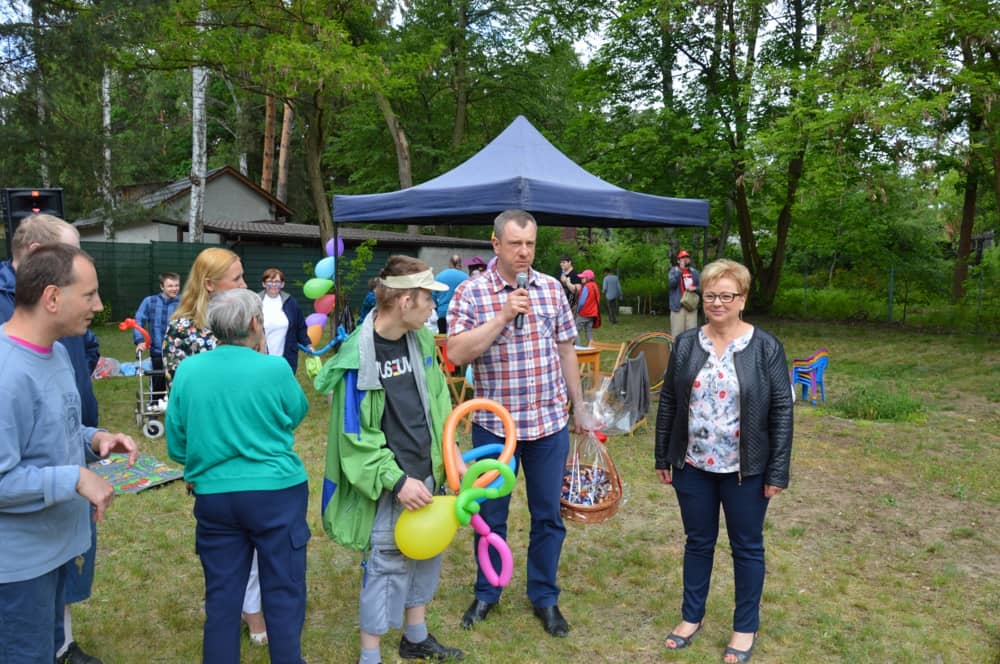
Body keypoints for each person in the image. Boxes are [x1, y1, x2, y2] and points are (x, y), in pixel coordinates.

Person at [316, 255, 464, 664]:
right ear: (405, 301)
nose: (435, 307)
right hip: (389, 484)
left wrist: (450, 454)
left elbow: (436, 402)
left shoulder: (418, 342)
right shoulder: (357, 358)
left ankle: (415, 636)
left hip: (427, 471)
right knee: (387, 564)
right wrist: (397, 482)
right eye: (428, 300)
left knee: (426, 552)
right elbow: (357, 440)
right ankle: (371, 655)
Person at [447, 209, 584, 638]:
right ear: (495, 244)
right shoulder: (472, 293)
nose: (524, 253)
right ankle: (487, 591)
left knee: (549, 516)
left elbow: (566, 351)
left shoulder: (551, 290)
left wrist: (579, 407)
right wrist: (504, 315)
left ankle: (544, 596)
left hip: (547, 424)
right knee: (490, 514)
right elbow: (457, 352)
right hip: (494, 429)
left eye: (530, 245)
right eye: (515, 244)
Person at [0, 244, 137, 664]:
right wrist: (76, 478)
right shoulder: (7, 374)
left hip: (56, 549)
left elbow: (58, 423)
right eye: (90, 294)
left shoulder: (56, 352)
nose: (98, 306)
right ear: (52, 298)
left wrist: (95, 438)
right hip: (20, 569)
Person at [653, 259, 793, 663]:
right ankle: (690, 617)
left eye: (726, 295)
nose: (717, 302)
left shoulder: (765, 347)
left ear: (742, 299)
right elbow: (671, 404)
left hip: (745, 471)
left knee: (746, 547)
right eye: (710, 295)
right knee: (698, 543)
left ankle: (744, 627)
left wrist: (777, 469)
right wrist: (664, 453)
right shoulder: (685, 345)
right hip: (693, 465)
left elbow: (782, 409)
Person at [166, 288, 310, 664]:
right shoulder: (275, 367)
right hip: (276, 493)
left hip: (214, 496)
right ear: (253, 323)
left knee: (222, 599)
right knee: (284, 590)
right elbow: (296, 413)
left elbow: (177, 444)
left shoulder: (188, 370)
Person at [161, 248, 268, 644]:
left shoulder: (248, 315)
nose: (245, 284)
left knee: (259, 538)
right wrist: (194, 463)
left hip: (256, 448)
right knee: (225, 545)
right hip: (213, 457)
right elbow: (181, 402)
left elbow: (267, 374)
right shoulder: (183, 330)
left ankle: (253, 608)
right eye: (237, 279)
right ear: (210, 284)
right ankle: (237, 608)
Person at [133, 271, 181, 399]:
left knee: (178, 381)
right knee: (158, 380)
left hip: (177, 351)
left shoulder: (183, 303)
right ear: (162, 287)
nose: (174, 289)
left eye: (177, 285)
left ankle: (177, 406)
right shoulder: (150, 302)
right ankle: (155, 405)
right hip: (157, 350)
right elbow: (139, 321)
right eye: (170, 286)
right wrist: (140, 340)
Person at [257, 267, 311, 373]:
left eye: (277, 282)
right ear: (263, 284)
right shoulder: (254, 301)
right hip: (260, 356)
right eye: (269, 282)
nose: (273, 285)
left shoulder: (291, 303)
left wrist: (307, 344)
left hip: (287, 357)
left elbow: (300, 326)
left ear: (282, 284)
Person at [668, 250, 701, 339]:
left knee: (691, 334)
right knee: (677, 335)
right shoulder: (673, 271)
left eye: (687, 257)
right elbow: (671, 285)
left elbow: (703, 287)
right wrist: (680, 271)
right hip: (678, 307)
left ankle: (690, 352)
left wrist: (695, 288)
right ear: (678, 261)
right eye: (682, 258)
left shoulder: (694, 272)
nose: (685, 259)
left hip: (691, 307)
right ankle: (677, 352)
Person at [434, 254, 468, 334]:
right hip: (459, 315)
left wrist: (438, 309)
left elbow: (433, 296)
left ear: (450, 263)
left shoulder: (439, 276)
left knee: (442, 341)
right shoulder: (466, 277)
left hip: (442, 313)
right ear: (460, 264)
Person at [575, 269, 601, 346]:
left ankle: (578, 348)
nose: (581, 279)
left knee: (574, 331)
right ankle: (592, 347)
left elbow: (582, 302)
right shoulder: (595, 286)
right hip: (593, 314)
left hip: (584, 313)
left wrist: (578, 310)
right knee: (588, 332)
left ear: (588, 278)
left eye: (583, 278)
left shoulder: (587, 286)